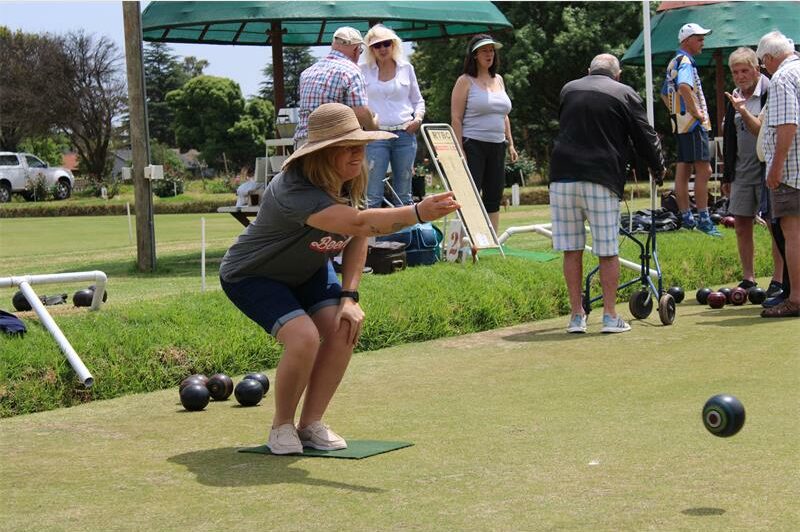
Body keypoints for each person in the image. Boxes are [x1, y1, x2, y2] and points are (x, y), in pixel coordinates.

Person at [219, 103, 460, 454]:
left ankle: (310, 424)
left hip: (308, 268)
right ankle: (281, 427)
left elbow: (359, 233)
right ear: (322, 153)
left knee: (344, 326)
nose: (357, 154)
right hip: (253, 273)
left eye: (359, 146)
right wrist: (418, 212)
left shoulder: (350, 178)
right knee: (303, 337)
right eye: (347, 147)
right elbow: (360, 223)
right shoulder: (293, 189)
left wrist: (349, 296)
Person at [550, 54, 665, 334]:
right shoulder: (624, 93)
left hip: (562, 176)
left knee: (571, 249)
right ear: (618, 74)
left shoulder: (568, 89)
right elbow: (644, 135)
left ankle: (576, 316)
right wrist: (658, 166)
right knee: (607, 249)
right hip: (600, 176)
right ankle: (610, 316)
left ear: (589, 70)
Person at [721, 47, 784, 295]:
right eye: (735, 72)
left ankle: (779, 279)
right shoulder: (734, 95)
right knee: (741, 224)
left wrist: (743, 111)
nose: (740, 76)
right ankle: (748, 277)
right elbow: (730, 137)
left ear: (757, 69)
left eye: (744, 70)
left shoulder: (771, 91)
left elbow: (765, 131)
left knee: (774, 225)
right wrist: (727, 174)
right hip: (742, 170)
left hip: (768, 168)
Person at [451, 34, 518, 233]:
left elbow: (504, 115)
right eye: (484, 51)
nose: (489, 55)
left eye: (491, 51)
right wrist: (460, 149)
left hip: (497, 145)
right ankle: (464, 239)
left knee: (494, 194)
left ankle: (492, 240)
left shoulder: (499, 80)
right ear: (474, 55)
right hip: (473, 144)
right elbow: (456, 118)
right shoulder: (465, 81)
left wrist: (511, 143)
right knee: (469, 195)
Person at [661, 23, 720, 236]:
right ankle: (704, 218)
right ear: (686, 41)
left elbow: (664, 93)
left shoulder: (674, 61)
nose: (703, 42)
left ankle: (687, 218)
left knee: (683, 170)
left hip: (681, 124)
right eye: (699, 39)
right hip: (693, 124)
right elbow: (685, 87)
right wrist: (696, 113)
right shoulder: (685, 61)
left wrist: (677, 114)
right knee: (705, 170)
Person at [756, 31, 800, 318]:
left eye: (762, 63)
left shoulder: (783, 77)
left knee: (792, 231)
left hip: (792, 169)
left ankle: (796, 298)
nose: (764, 69)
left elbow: (787, 125)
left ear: (770, 58)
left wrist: (775, 167)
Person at [360, 25, 425, 209]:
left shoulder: (406, 68)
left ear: (394, 45)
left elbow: (418, 100)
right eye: (377, 45)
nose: (382, 48)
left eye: (386, 43)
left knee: (404, 194)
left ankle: (405, 227)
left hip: (405, 134)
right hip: (375, 136)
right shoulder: (362, 70)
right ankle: (372, 229)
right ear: (371, 49)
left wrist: (418, 119)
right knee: (372, 193)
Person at [294, 26, 377, 147]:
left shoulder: (307, 73)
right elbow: (361, 113)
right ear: (355, 49)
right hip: (334, 144)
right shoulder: (352, 71)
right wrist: (373, 127)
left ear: (333, 45)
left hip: (304, 143)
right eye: (360, 51)